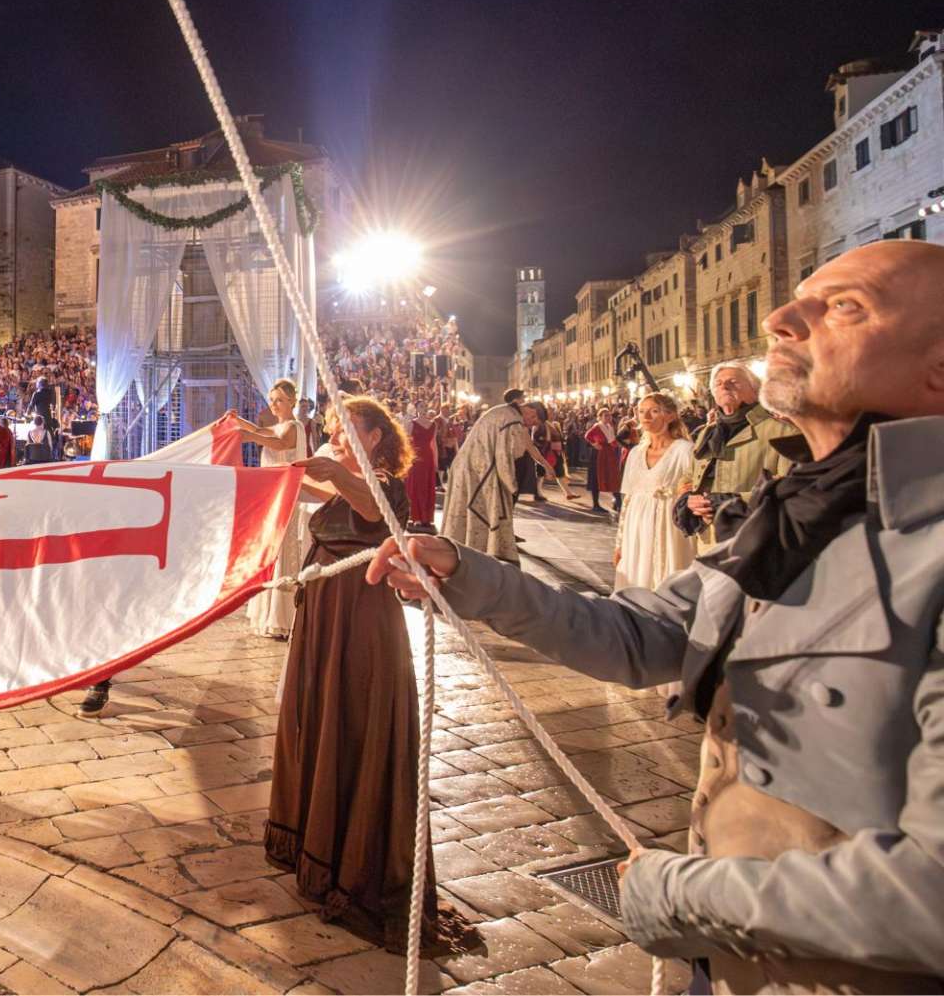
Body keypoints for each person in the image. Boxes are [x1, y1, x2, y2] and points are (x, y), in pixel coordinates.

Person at [368, 240, 944, 992]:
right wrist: (463, 570)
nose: (778, 317)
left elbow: (929, 893)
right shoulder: (792, 519)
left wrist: (675, 894)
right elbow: (632, 634)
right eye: (799, 297)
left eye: (844, 306)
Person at [265, 395, 470, 950]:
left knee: (352, 714)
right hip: (325, 613)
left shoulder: (384, 483)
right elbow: (303, 490)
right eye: (329, 427)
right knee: (320, 714)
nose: (332, 433)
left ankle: (353, 856)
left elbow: (376, 512)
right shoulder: (342, 480)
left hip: (361, 617)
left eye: (344, 426)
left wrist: (335, 470)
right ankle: (314, 836)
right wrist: (252, 478)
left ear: (375, 435)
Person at [676, 360, 794, 551]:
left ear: (755, 391)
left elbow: (790, 486)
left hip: (755, 541)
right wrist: (690, 499)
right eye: (718, 383)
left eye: (734, 381)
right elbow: (689, 476)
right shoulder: (708, 433)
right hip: (708, 540)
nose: (724, 386)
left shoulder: (781, 431)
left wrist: (725, 503)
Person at [228, 379, 306, 641]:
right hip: (273, 496)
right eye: (272, 400)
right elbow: (268, 433)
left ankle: (283, 616)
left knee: (282, 549)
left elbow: (281, 444)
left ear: (292, 401)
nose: (274, 404)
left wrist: (249, 436)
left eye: (280, 400)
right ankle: (269, 611)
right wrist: (238, 422)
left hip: (285, 494)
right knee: (271, 549)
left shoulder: (294, 427)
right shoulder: (279, 427)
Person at [439, 389, 546, 562]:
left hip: (471, 467)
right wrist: (511, 486)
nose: (530, 424)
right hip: (479, 471)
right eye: (533, 420)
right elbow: (507, 454)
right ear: (530, 411)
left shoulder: (504, 411)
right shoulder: (512, 421)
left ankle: (464, 554)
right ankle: (483, 557)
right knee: (492, 510)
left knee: (465, 514)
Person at [614, 393, 694, 594]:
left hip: (668, 525)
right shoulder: (635, 453)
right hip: (637, 526)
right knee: (636, 577)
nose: (646, 416)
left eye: (654, 411)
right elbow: (628, 500)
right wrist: (620, 542)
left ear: (670, 416)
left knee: (666, 576)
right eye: (641, 412)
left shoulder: (684, 450)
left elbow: (694, 488)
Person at [584, 407, 625, 514]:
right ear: (600, 417)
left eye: (609, 415)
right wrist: (594, 444)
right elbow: (587, 436)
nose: (608, 417)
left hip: (609, 454)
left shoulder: (609, 427)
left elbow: (613, 441)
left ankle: (618, 502)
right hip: (599, 455)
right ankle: (596, 504)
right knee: (596, 477)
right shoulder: (597, 427)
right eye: (605, 415)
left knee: (612, 476)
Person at [406, 402, 440, 529]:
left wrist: (436, 461)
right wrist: (407, 459)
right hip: (415, 457)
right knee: (415, 485)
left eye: (425, 407)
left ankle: (426, 517)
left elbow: (434, 444)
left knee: (427, 485)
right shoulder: (411, 423)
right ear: (416, 409)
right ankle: (416, 517)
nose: (424, 409)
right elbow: (407, 442)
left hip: (428, 457)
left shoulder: (434, 424)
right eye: (421, 407)